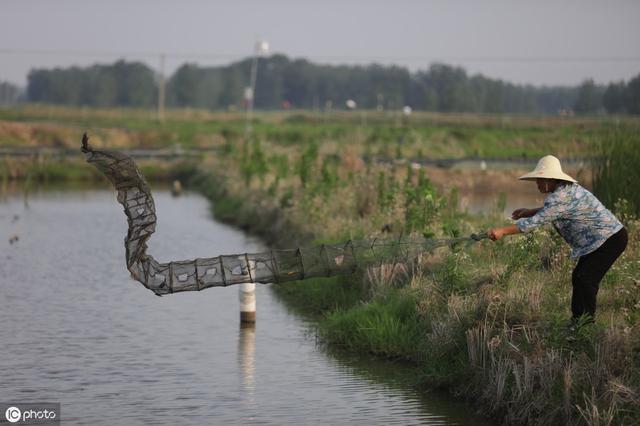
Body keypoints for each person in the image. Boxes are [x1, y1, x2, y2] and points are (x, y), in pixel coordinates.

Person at [488, 155, 627, 324]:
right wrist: (529, 211)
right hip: (603, 239)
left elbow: (534, 223)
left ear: (550, 180)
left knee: (586, 279)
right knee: (579, 277)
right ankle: (578, 323)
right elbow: (555, 210)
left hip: (609, 240)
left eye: (540, 180)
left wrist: (502, 231)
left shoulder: (559, 197)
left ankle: (584, 326)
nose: (537, 184)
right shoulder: (566, 190)